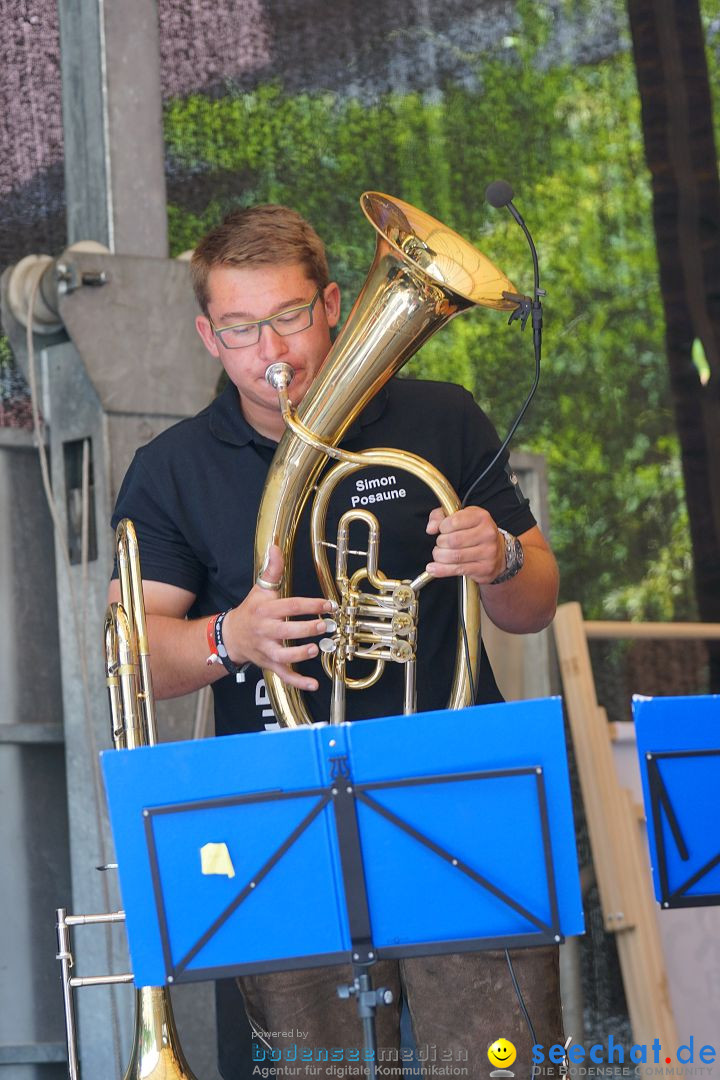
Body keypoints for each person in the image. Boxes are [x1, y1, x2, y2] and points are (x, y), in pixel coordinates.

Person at [109, 203, 563, 1080]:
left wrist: (502, 555)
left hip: (457, 785)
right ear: (209, 336)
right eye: (240, 328)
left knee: (502, 1062)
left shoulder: (441, 421)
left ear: (333, 304)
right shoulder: (173, 467)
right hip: (275, 813)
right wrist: (228, 635)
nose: (269, 349)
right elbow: (134, 658)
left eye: (286, 316)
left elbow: (532, 606)